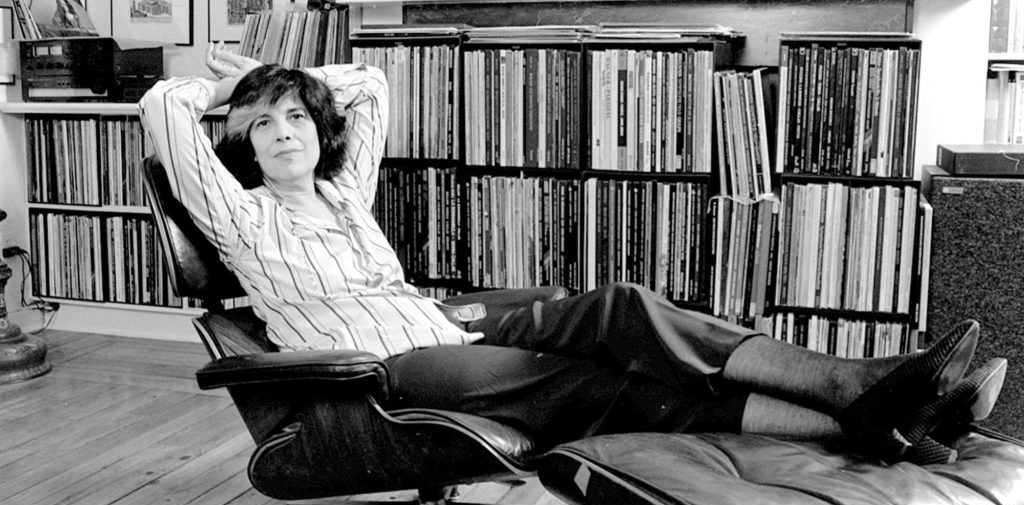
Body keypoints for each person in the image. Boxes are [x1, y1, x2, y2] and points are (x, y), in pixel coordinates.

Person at [139, 44, 1005, 465]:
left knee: (622, 309)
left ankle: (864, 395)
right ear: (243, 144)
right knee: (601, 384)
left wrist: (281, 76)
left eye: (297, 117)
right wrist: (232, 89)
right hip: (389, 372)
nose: (285, 132)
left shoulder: (342, 194)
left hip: (449, 329)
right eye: (264, 124)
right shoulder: (241, 218)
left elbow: (369, 87)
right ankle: (859, 414)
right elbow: (162, 108)